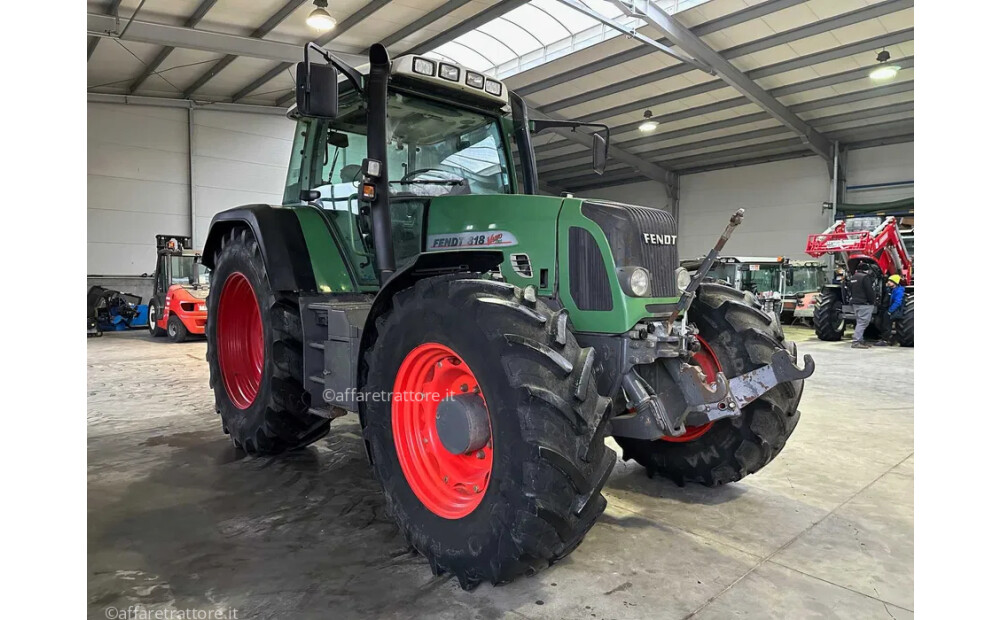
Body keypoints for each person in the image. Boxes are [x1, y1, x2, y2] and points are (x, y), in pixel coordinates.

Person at [848, 264, 876, 349]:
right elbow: (869, 291)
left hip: (855, 303)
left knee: (860, 321)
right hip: (864, 303)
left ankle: (860, 340)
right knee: (862, 322)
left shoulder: (853, 277)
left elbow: (849, 289)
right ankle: (856, 341)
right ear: (866, 270)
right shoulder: (865, 277)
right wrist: (872, 301)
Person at [873, 274, 906, 346]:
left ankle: (885, 340)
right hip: (884, 309)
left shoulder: (899, 291)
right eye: (888, 281)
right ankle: (888, 337)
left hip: (890, 310)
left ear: (895, 283)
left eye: (890, 281)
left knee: (886, 325)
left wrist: (890, 311)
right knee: (878, 322)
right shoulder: (889, 289)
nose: (888, 282)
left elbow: (897, 302)